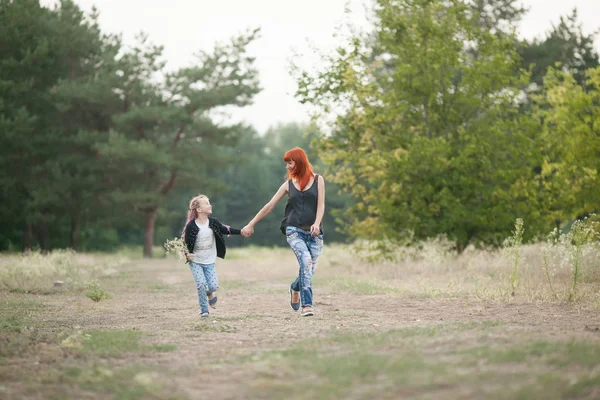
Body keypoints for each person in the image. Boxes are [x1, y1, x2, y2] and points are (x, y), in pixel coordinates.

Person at [242, 147, 325, 317]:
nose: (287, 167)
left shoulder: (318, 180)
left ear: (299, 162)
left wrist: (317, 223)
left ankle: (295, 287)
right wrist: (251, 224)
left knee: (308, 269)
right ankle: (307, 305)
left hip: (315, 233)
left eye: (290, 163)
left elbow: (321, 205)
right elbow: (269, 206)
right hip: (294, 230)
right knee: (306, 262)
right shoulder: (288, 184)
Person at [182, 194, 247, 317]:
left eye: (209, 202)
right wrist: (187, 255)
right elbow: (185, 244)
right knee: (201, 284)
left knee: (213, 286)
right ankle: (204, 310)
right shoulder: (191, 226)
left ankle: (210, 294)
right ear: (199, 210)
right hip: (195, 261)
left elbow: (225, 229)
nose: (210, 205)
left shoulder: (214, 222)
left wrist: (241, 232)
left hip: (209, 260)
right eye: (206, 203)